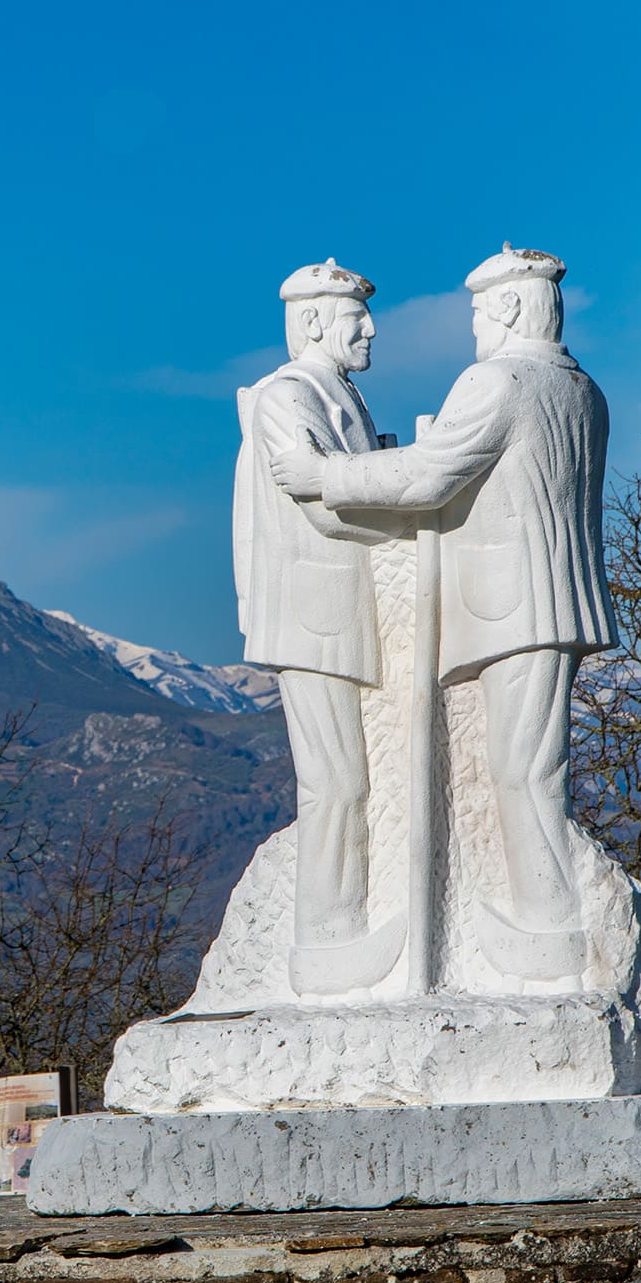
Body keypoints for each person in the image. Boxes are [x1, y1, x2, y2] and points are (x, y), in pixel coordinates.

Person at [269, 245, 615, 978]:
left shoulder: (499, 382)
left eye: (479, 310)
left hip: (512, 604)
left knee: (521, 770)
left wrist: (324, 472)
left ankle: (548, 929)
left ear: (511, 306)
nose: (475, 324)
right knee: (528, 765)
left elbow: (431, 476)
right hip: (549, 599)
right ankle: (545, 924)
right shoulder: (581, 389)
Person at [235, 258, 403, 993]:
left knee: (357, 781)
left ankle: (345, 928)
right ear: (310, 321)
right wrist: (419, 507)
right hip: (315, 612)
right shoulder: (288, 396)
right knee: (335, 781)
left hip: (349, 608)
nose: (371, 329)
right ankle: (326, 940)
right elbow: (322, 505)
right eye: (355, 316)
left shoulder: (341, 395)